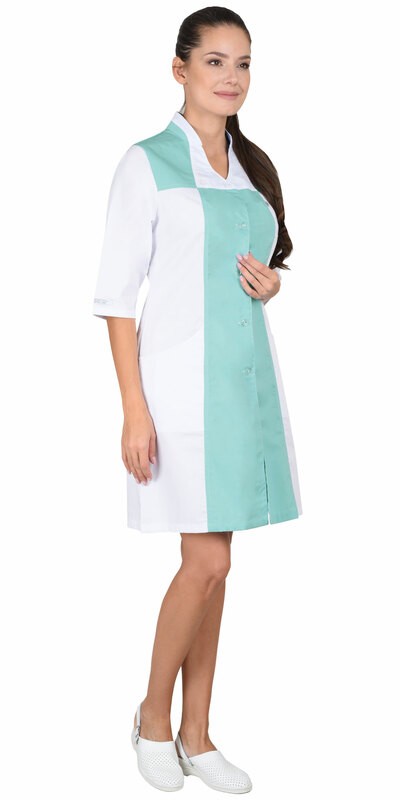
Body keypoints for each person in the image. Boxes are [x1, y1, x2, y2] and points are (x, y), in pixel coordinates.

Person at [92, 6, 303, 793]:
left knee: (217, 566)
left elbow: (247, 268)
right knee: (205, 561)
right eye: (214, 61)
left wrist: (271, 284)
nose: (231, 78)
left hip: (244, 386)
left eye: (243, 63)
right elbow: (116, 299)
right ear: (179, 68)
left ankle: (198, 731)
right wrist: (134, 409)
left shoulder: (251, 168)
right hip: (179, 393)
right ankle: (153, 717)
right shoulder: (146, 163)